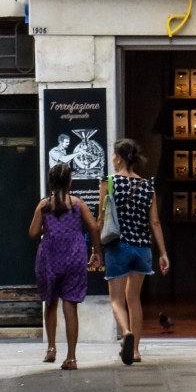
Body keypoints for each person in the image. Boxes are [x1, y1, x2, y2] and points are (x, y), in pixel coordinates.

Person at [97, 138, 170, 365]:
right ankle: (136, 350)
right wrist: (163, 253)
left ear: (118, 158)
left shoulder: (109, 182)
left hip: (118, 247)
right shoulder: (148, 186)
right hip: (142, 249)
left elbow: (101, 219)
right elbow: (155, 222)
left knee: (116, 300)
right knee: (134, 299)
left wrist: (96, 249)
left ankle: (126, 332)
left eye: (113, 155)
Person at [29, 163, 101, 370]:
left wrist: (47, 226)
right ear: (70, 182)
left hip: (49, 258)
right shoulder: (78, 204)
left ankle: (51, 348)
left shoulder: (44, 205)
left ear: (51, 183)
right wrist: (96, 252)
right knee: (70, 304)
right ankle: (71, 357)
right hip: (74, 258)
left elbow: (33, 233)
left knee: (50, 302)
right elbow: (94, 228)